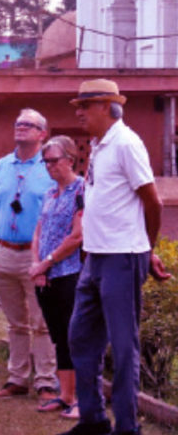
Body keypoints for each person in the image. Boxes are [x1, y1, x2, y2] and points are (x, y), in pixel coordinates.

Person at [60, 79, 172, 435]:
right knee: (80, 337)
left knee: (123, 347)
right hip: (95, 257)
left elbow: (153, 201)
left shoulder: (126, 143)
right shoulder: (99, 145)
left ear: (108, 107)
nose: (78, 112)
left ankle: (127, 427)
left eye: (85, 106)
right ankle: (92, 420)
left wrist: (147, 249)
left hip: (123, 257)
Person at [0, 108, 57, 401]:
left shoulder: (49, 166)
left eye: (29, 125)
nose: (21, 128)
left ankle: (46, 381)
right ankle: (17, 378)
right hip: (4, 254)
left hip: (36, 257)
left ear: (43, 134)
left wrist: (46, 258)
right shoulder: (1, 166)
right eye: (18, 123)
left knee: (42, 322)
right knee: (16, 323)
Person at [27, 136, 84, 419]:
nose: (49, 166)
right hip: (46, 277)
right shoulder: (50, 194)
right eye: (45, 161)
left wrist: (47, 263)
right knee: (59, 337)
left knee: (76, 337)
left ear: (70, 160)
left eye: (54, 160)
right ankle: (65, 395)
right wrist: (37, 264)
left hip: (69, 274)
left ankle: (82, 400)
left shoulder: (81, 190)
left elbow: (77, 236)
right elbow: (40, 230)